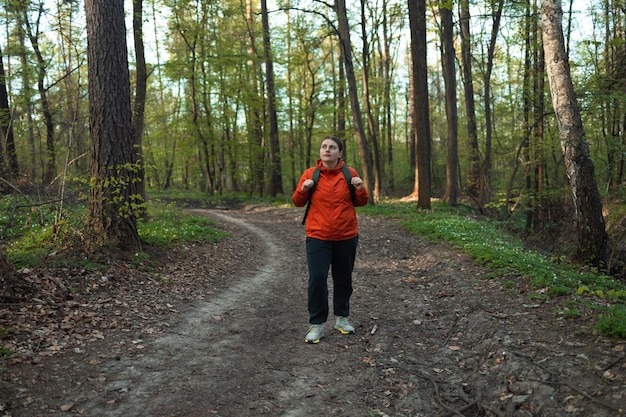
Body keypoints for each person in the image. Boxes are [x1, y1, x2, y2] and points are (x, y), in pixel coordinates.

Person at [292, 136, 369, 344]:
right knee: (317, 279)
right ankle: (316, 325)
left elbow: (361, 202)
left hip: (346, 236)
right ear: (320, 152)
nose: (327, 150)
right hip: (317, 236)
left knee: (343, 279)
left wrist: (360, 188)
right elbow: (297, 202)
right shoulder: (310, 174)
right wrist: (304, 189)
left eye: (332, 147)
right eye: (324, 147)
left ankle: (342, 319)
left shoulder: (349, 174)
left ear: (339, 153)